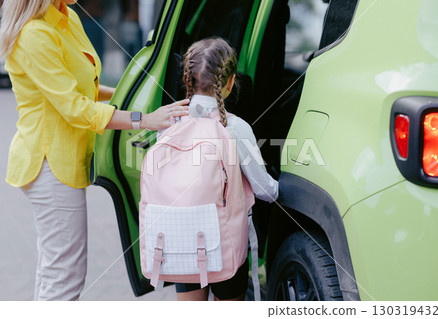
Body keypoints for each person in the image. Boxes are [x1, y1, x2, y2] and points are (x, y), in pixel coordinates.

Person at [0, 0, 188, 301]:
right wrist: (144, 119)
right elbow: (75, 108)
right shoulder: (34, 34)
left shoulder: (66, 17)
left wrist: (137, 96)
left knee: (54, 271)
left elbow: (84, 86)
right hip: (49, 164)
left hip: (62, 160)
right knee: (64, 277)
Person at [173, 37, 278, 301]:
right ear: (229, 82)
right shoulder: (236, 128)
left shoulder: (171, 121)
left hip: (183, 237)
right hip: (226, 241)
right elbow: (265, 190)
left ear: (189, 79)